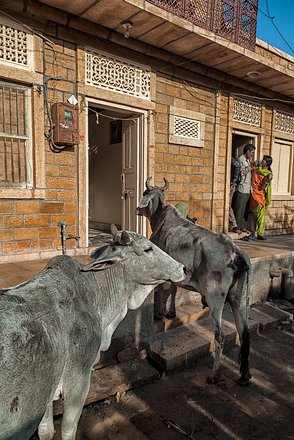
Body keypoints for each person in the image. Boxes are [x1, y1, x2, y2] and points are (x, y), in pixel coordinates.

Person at [245, 155, 273, 241]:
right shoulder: (256, 168)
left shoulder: (268, 173)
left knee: (260, 215)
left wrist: (267, 180)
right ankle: (253, 233)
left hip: (260, 195)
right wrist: (254, 164)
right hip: (253, 193)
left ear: (267, 163)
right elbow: (249, 169)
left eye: (264, 160)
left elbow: (262, 187)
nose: (262, 161)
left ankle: (259, 233)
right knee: (254, 214)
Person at [232, 144, 256, 232]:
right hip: (241, 188)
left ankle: (242, 226)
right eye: (252, 152)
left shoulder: (248, 160)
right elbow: (242, 173)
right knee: (239, 209)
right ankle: (236, 227)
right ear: (247, 151)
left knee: (245, 210)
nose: (253, 154)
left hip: (248, 188)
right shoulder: (240, 159)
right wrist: (250, 167)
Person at [229, 157, 241, 234]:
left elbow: (237, 166)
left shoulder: (233, 160)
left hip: (231, 185)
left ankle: (233, 225)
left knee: (228, 205)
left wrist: (233, 181)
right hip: (232, 185)